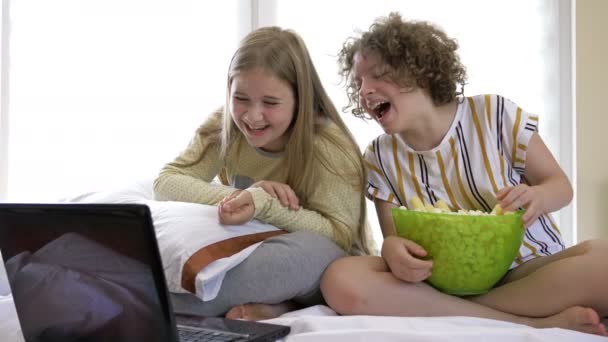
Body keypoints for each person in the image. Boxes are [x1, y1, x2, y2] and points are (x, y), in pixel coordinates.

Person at [320, 12, 608, 336]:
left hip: (526, 271)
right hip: (438, 282)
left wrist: (537, 196)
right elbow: (394, 241)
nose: (364, 91)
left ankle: (465, 311)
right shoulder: (379, 157)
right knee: (339, 278)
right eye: (358, 82)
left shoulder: (495, 114)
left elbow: (561, 187)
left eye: (377, 76)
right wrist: (392, 251)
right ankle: (529, 319)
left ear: (421, 74)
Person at [153, 26, 373, 321]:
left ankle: (158, 308)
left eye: (270, 103)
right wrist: (243, 197)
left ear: (300, 99)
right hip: (253, 247)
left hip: (324, 262)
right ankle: (282, 307)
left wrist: (266, 204)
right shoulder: (225, 126)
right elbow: (166, 181)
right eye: (240, 98)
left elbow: (339, 236)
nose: (252, 116)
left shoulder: (328, 146)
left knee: (301, 254)